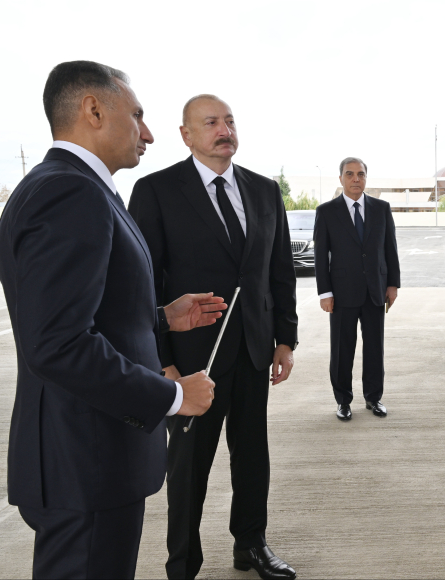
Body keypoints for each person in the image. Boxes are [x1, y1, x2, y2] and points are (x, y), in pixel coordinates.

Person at [0, 61, 220, 580]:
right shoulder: (68, 193)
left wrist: (161, 318)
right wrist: (173, 396)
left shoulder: (72, 187)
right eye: (137, 115)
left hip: (88, 459)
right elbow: (57, 343)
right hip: (87, 462)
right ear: (94, 110)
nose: (149, 133)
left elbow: (77, 312)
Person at [128, 94, 299, 580]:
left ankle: (251, 545)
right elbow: (143, 285)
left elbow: (278, 271)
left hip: (253, 351)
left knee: (252, 458)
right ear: (186, 134)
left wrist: (285, 339)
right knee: (188, 472)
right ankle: (182, 564)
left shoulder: (265, 191)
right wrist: (163, 366)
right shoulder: (156, 190)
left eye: (229, 120)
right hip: (189, 364)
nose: (224, 129)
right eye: (210, 122)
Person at [314, 158, 401, 421]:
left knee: (375, 347)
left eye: (360, 174)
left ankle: (374, 398)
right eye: (350, 174)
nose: (355, 179)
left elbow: (390, 249)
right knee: (342, 349)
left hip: (375, 290)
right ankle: (343, 401)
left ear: (366, 178)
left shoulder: (381, 209)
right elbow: (321, 256)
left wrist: (393, 284)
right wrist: (324, 292)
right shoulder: (327, 211)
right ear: (340, 178)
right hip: (341, 294)